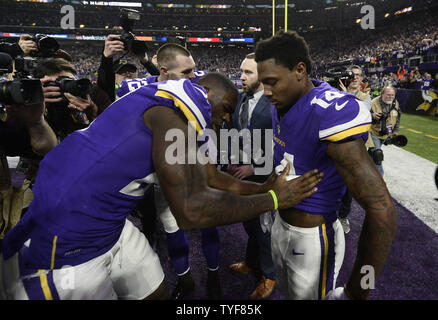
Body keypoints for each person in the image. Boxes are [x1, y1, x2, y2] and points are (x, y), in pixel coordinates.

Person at [0, 72, 323, 300]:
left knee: (155, 292)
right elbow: (193, 212)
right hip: (67, 241)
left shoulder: (167, 109)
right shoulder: (172, 117)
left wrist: (265, 188)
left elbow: (210, 176)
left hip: (109, 224)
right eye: (226, 109)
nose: (226, 120)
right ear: (206, 93)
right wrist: (274, 200)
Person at [255, 30, 397, 300]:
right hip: (279, 223)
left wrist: (357, 292)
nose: (267, 91)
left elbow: (382, 209)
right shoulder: (282, 101)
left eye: (272, 81)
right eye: (264, 83)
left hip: (312, 237)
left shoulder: (328, 111)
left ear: (300, 70)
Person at [116, 43, 218, 300]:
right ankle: (185, 280)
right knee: (172, 227)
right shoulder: (133, 90)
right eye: (187, 72)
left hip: (197, 167)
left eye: (193, 70)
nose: (193, 76)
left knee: (209, 225)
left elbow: (208, 135)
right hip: (163, 175)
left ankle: (214, 273)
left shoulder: (196, 91)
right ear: (164, 70)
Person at [228, 53, 276, 300]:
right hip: (243, 176)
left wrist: (254, 168)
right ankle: (251, 261)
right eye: (241, 71)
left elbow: (280, 146)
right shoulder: (240, 99)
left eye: (248, 73)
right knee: (250, 224)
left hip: (265, 177)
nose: (242, 77)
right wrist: (233, 157)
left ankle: (270, 275)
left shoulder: (275, 102)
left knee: (265, 229)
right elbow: (237, 134)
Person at [337, 65, 373, 234]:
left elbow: (359, 115)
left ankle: (343, 216)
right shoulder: (335, 91)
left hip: (356, 147)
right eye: (353, 75)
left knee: (349, 184)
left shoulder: (365, 96)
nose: (356, 77)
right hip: (336, 145)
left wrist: (345, 96)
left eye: (359, 75)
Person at [369, 86, 402, 176]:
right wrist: (372, 116)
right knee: (377, 155)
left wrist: (395, 130)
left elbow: (398, 117)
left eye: (392, 95)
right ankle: (380, 180)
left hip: (387, 133)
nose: (390, 97)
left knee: (371, 156)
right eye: (388, 94)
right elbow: (364, 117)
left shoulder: (395, 103)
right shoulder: (372, 103)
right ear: (382, 94)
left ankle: (365, 169)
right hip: (373, 133)